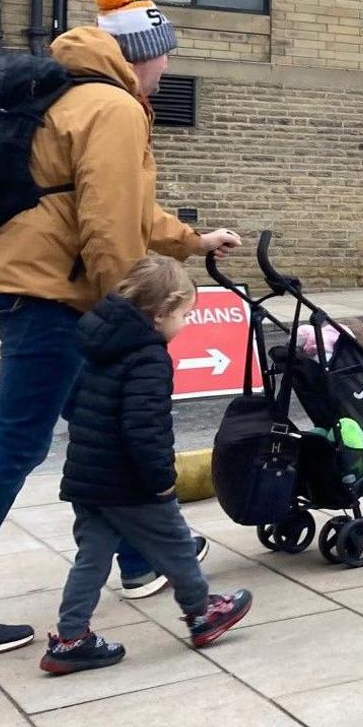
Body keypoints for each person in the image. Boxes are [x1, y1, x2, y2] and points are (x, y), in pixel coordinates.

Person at [0, 0, 240, 661]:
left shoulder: (80, 96)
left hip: (31, 284)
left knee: (102, 432)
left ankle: (141, 561)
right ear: (140, 54)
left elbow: (130, 213)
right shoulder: (110, 106)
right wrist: (131, 316)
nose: (168, 66)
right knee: (14, 448)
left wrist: (192, 242)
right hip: (49, 295)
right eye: (163, 53)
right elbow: (109, 227)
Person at [43, 257, 253, 673]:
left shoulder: (97, 343)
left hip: (88, 478)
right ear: (159, 315)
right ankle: (202, 614)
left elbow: (82, 411)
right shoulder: (148, 357)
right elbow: (145, 427)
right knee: (176, 545)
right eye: (183, 315)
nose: (185, 324)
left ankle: (71, 638)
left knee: (93, 557)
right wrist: (161, 481)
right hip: (131, 482)